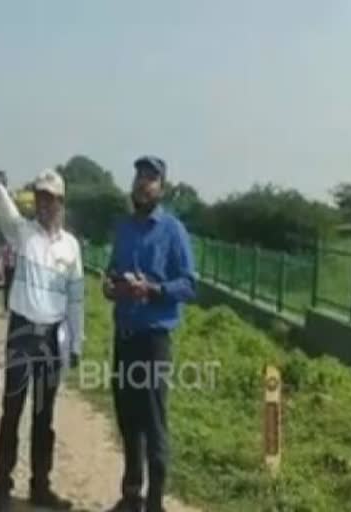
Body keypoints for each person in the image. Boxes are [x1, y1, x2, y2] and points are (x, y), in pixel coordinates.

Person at [0, 169, 84, 512]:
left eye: (49, 198)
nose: (43, 203)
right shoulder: (23, 234)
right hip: (22, 334)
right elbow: (6, 211)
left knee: (43, 416)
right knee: (12, 412)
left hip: (51, 339)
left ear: (61, 202)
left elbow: (76, 299)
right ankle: (3, 486)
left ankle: (40, 487)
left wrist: (76, 342)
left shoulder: (71, 247)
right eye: (39, 197)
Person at [103, 156, 196, 512]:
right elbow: (113, 270)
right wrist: (111, 285)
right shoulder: (124, 227)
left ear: (162, 186)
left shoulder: (173, 230)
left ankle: (155, 503)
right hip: (124, 335)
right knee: (127, 417)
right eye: (140, 176)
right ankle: (131, 494)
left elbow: (189, 284)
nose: (143, 183)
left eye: (151, 178)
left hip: (154, 340)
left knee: (153, 421)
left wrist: (153, 290)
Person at [2, 239, 16, 313]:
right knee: (7, 288)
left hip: (12, 269)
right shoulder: (7, 247)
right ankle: (6, 306)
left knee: (10, 288)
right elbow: (4, 259)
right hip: (8, 268)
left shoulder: (15, 248)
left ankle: (9, 306)